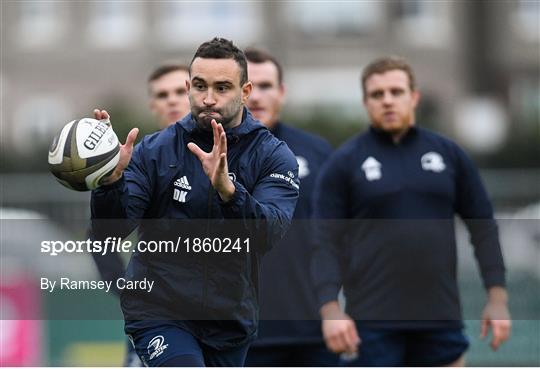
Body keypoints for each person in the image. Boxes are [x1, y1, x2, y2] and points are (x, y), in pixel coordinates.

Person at [90, 37, 299, 367]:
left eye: (222, 87)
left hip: (230, 321)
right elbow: (110, 231)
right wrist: (110, 181)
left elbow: (267, 234)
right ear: (189, 86)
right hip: (159, 313)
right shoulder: (154, 151)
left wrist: (229, 192)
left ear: (245, 92)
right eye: (200, 86)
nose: (208, 98)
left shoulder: (273, 155)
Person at [312, 56, 511, 366]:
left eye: (396, 91)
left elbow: (483, 227)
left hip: (440, 319)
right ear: (366, 102)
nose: (388, 100)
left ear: (413, 96)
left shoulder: (450, 155)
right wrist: (330, 310)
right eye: (377, 94)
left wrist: (497, 299)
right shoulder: (343, 163)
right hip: (372, 323)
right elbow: (324, 242)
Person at [90, 63, 192, 367]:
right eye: (162, 94)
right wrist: (126, 288)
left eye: (180, 91)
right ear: (152, 104)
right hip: (157, 317)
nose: (172, 100)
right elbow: (100, 235)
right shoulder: (138, 159)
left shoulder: (227, 155)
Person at [241, 48, 337, 366]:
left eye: (266, 86)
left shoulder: (318, 152)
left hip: (315, 334)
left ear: (282, 92)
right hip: (240, 337)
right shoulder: (210, 156)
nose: (256, 97)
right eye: (248, 87)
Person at [147, 64, 191, 129]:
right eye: (162, 95)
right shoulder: (144, 139)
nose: (172, 100)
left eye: (181, 92)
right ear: (152, 106)